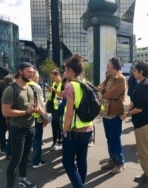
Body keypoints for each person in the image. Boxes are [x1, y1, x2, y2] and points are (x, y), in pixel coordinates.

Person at [2, 62, 45, 188]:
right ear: (20, 71)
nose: (32, 74)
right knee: (15, 159)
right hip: (17, 129)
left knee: (25, 157)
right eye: (29, 71)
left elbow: (36, 106)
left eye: (32, 72)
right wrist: (26, 112)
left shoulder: (31, 88)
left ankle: (22, 179)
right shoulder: (11, 90)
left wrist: (44, 116)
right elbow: (6, 111)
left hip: (30, 128)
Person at [61, 54, 94, 187]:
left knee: (67, 162)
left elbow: (69, 113)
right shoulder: (86, 83)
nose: (64, 73)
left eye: (65, 70)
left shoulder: (70, 86)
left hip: (74, 130)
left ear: (70, 71)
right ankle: (81, 184)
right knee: (81, 160)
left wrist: (64, 130)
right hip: (88, 127)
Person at [124, 61, 148, 187]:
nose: (133, 73)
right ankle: (147, 173)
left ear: (141, 72)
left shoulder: (143, 86)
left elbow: (140, 108)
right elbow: (139, 103)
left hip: (143, 122)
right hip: (146, 121)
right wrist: (132, 105)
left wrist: (127, 114)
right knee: (147, 149)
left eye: (135, 71)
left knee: (144, 151)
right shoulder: (147, 82)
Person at [98, 57, 126, 174]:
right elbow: (100, 87)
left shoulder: (120, 78)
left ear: (113, 66)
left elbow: (111, 93)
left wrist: (103, 91)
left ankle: (120, 163)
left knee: (115, 138)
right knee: (109, 138)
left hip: (114, 112)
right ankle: (113, 160)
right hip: (106, 112)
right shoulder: (109, 76)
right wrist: (103, 90)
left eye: (108, 65)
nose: (106, 67)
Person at [30, 70, 49, 168]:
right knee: (37, 139)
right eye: (38, 76)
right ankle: (36, 161)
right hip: (36, 118)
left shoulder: (24, 84)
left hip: (26, 118)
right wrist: (45, 117)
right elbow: (40, 104)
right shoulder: (36, 87)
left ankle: (26, 160)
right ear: (34, 76)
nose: (39, 78)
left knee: (29, 140)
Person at [47, 69, 63, 151]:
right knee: (57, 124)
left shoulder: (62, 83)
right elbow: (53, 95)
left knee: (55, 124)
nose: (52, 79)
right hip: (53, 106)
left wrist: (54, 90)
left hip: (59, 107)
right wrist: (50, 90)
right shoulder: (54, 83)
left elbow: (62, 94)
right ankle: (59, 139)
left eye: (53, 77)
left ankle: (55, 142)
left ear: (57, 76)